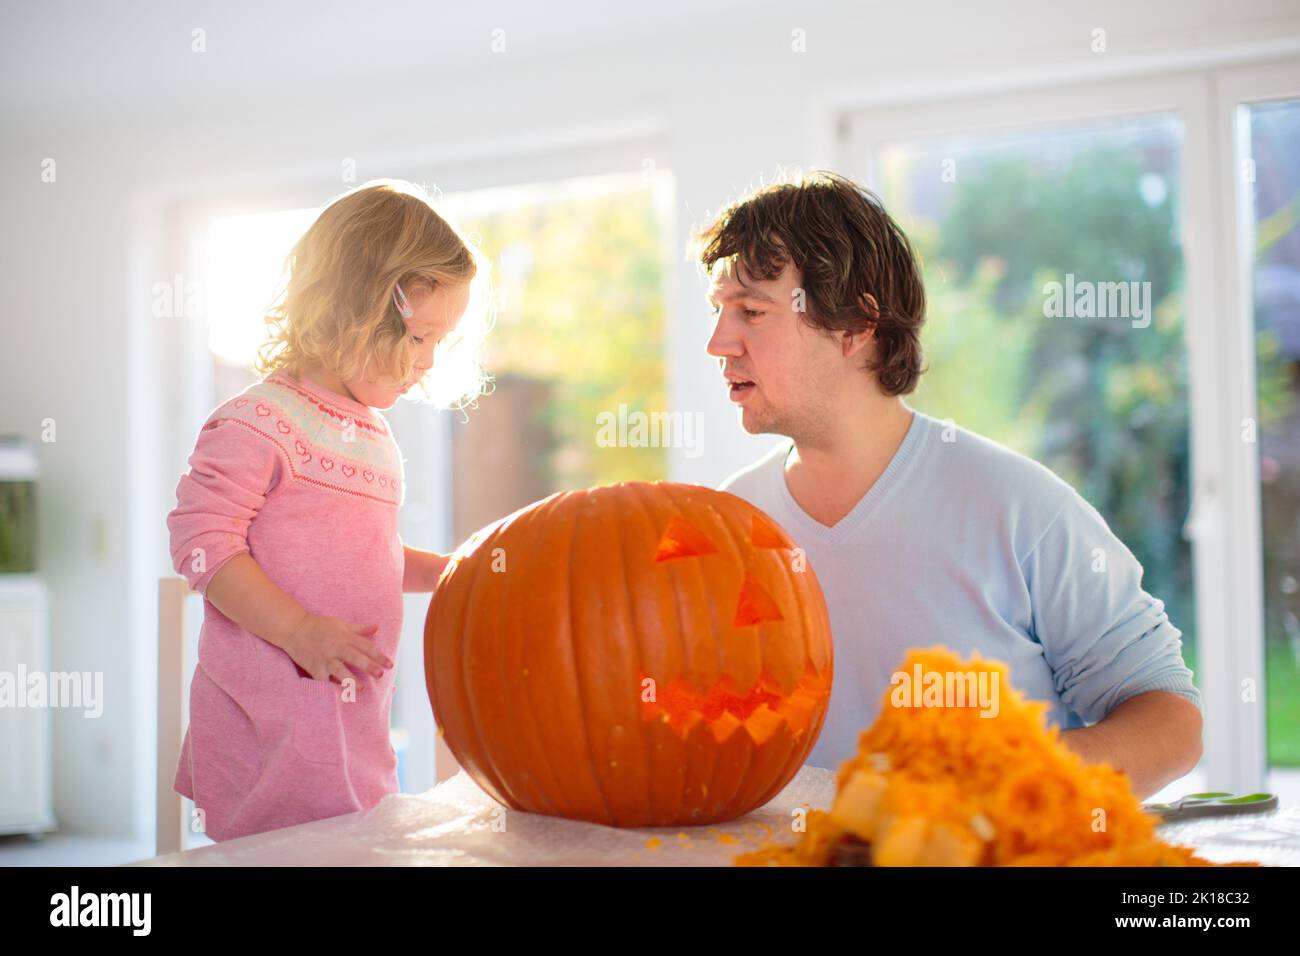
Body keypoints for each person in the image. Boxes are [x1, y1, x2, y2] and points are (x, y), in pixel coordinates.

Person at [697, 170, 1202, 798]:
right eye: (718, 311)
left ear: (855, 327)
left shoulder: (1020, 508)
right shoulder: (725, 526)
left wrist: (1007, 782)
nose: (719, 343)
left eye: (751, 311)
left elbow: (1171, 718)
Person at [166, 179, 490, 840]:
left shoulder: (372, 435)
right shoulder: (259, 422)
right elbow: (203, 543)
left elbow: (369, 555)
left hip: (351, 716)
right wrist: (297, 630)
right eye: (420, 336)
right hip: (268, 722)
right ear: (354, 308)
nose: (428, 361)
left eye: (440, 344)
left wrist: (456, 570)